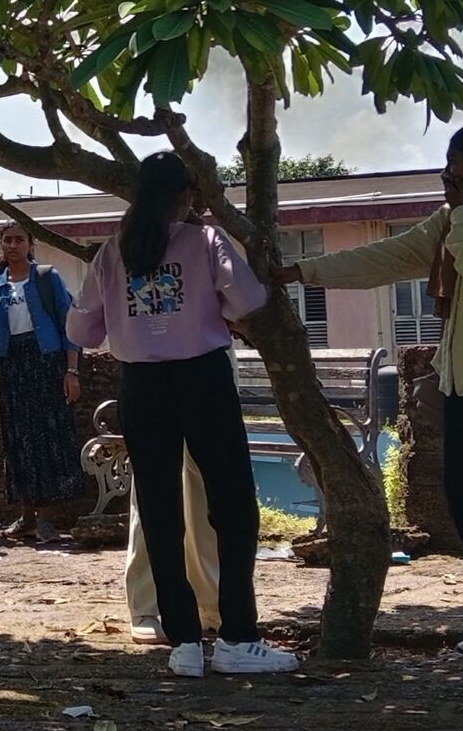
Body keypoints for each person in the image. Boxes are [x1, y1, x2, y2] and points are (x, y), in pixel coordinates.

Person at [274, 120, 463, 671]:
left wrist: (462, 215)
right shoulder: (456, 218)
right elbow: (387, 257)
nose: (449, 173)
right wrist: (301, 270)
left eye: (460, 162)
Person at [68, 152, 299, 677]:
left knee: (159, 509)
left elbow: (82, 331)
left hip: (141, 386)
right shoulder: (206, 241)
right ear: (186, 195)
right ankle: (238, 636)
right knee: (232, 506)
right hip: (203, 380)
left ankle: (184, 642)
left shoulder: (113, 251)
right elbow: (247, 300)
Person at [0, 225, 85, 541]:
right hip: (13, 367)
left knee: (47, 438)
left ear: (30, 243)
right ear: (1, 245)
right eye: (8, 240)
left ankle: (46, 519)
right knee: (18, 441)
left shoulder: (46, 277)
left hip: (46, 363)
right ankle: (26, 515)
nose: (13, 245)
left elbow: (69, 324)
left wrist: (71, 371)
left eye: (19, 239)